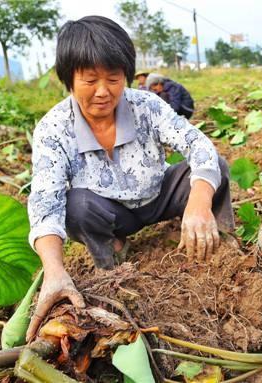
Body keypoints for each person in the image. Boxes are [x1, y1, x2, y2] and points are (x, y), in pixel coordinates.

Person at [25, 16, 234, 341]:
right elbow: (45, 203)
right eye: (90, 80)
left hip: (159, 194)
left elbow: (196, 144)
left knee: (214, 167)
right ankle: (111, 261)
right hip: (110, 213)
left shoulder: (146, 105)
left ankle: (218, 242)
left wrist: (198, 201)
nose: (103, 92)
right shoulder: (54, 129)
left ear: (126, 75)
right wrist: (54, 270)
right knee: (75, 206)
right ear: (69, 80)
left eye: (113, 78)